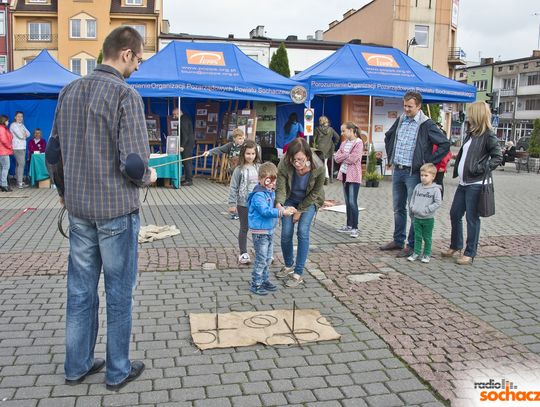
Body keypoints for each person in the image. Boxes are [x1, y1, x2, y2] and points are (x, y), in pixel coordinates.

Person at [45, 26, 157, 391]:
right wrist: (150, 177)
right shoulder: (127, 95)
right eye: (138, 59)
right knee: (119, 293)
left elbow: (52, 154)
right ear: (126, 54)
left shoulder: (68, 91)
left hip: (78, 211)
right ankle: (117, 370)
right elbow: (135, 165)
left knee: (80, 291)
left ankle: (76, 366)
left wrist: (62, 191)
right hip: (116, 214)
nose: (138, 67)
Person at [380, 91, 450, 258]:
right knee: (398, 208)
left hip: (413, 172)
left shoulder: (426, 124)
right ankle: (398, 240)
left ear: (419, 106)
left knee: (413, 210)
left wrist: (427, 161)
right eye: (404, 105)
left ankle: (411, 245)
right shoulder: (401, 119)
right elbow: (389, 136)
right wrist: (391, 154)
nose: (406, 109)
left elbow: (444, 144)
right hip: (398, 170)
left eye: (410, 107)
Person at [442, 101, 502, 265]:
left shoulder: (488, 135)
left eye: (470, 112)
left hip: (476, 183)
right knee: (455, 214)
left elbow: (498, 157)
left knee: (472, 218)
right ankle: (456, 245)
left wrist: (480, 167)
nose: (467, 115)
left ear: (477, 114)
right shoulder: (472, 133)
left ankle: (470, 252)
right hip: (464, 182)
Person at [275, 137, 325, 288]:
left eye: (300, 160)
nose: (297, 163)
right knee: (286, 233)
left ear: (308, 157)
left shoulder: (319, 167)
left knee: (302, 231)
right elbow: (281, 187)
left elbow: (315, 193)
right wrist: (279, 204)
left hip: (309, 201)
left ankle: (298, 272)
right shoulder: (284, 163)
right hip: (290, 199)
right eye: (294, 159)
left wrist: (300, 211)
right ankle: (289, 264)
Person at [247, 162, 296, 295]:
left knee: (268, 258)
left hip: (269, 231)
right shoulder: (259, 195)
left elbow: (275, 207)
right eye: (268, 180)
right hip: (260, 232)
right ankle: (256, 283)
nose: (271, 184)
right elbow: (265, 211)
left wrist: (285, 208)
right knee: (261, 259)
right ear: (260, 179)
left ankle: (264, 280)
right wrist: (282, 213)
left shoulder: (270, 193)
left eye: (273, 181)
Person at [227, 140, 261, 264]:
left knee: (258, 228)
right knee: (244, 227)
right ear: (243, 154)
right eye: (248, 153)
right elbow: (233, 186)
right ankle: (243, 253)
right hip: (243, 203)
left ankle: (260, 251)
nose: (250, 156)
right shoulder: (239, 170)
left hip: (258, 204)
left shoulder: (259, 167)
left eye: (253, 153)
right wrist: (232, 203)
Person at [333, 122, 363, 238]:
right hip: (345, 174)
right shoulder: (344, 143)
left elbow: (354, 159)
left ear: (351, 130)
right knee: (347, 202)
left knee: (352, 202)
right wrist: (346, 155)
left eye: (344, 131)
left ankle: (355, 227)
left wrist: (343, 155)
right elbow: (336, 158)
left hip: (354, 176)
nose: (342, 133)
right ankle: (349, 225)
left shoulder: (358, 142)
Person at [407, 163, 442, 263]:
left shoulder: (435, 189)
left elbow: (438, 202)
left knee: (427, 237)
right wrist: (412, 207)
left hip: (428, 219)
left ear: (433, 176)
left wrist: (427, 209)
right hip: (417, 218)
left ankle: (426, 254)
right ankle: (416, 252)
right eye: (422, 175)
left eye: (426, 175)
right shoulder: (418, 187)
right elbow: (412, 198)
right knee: (417, 236)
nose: (423, 178)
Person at [313, 116, 339, 182]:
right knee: (325, 163)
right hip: (328, 149)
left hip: (319, 149)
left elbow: (313, 139)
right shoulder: (331, 129)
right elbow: (337, 137)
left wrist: (314, 146)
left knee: (319, 164)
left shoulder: (317, 129)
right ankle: (326, 177)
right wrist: (334, 144)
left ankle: (322, 178)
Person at [10, 111, 30, 189]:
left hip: (23, 147)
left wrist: (24, 134)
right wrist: (23, 134)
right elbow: (20, 136)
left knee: (19, 164)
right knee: (21, 164)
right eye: (18, 116)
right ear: (15, 117)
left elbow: (28, 134)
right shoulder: (13, 125)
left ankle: (19, 181)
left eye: (21, 116)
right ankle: (20, 183)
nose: (20, 118)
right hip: (17, 147)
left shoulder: (22, 125)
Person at [174, 108, 194, 186]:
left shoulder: (183, 120)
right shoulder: (185, 117)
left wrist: (182, 146)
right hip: (188, 143)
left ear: (178, 113)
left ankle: (189, 180)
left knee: (187, 162)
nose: (174, 116)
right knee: (187, 162)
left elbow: (185, 135)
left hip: (187, 144)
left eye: (175, 114)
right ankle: (187, 179)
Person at [0, 115, 13, 192]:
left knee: (2, 168)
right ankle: (4, 185)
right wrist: (9, 146)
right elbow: (4, 140)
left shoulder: (3, 128)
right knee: (5, 168)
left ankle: (2, 184)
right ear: (4, 121)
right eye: (7, 121)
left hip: (2, 151)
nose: (8, 122)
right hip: (3, 151)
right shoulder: (2, 129)